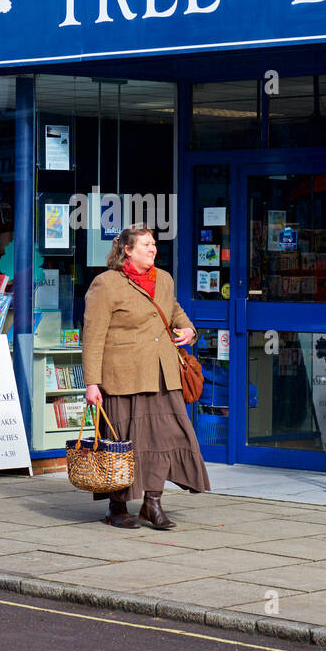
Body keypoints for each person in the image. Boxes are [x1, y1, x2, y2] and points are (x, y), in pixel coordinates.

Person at [83, 224, 211, 529]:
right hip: (123, 378)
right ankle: (117, 507)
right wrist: (91, 382)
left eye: (153, 244)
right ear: (127, 250)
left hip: (163, 376)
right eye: (145, 245)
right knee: (123, 445)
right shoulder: (106, 284)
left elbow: (175, 311)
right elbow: (93, 335)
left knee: (168, 438)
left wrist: (189, 331)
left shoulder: (163, 280)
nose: (152, 249)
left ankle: (152, 503)